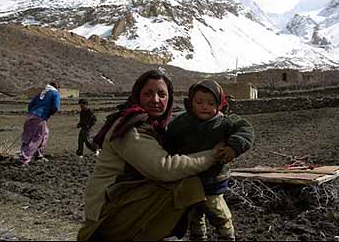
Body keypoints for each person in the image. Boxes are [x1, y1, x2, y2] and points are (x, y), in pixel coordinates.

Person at [77, 70, 227, 241]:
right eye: (148, 93)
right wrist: (214, 154)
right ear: (137, 95)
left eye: (162, 94)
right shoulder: (131, 127)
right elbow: (164, 167)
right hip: (106, 215)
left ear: (169, 99)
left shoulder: (152, 126)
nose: (155, 100)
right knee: (188, 184)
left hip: (122, 199)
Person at [165, 79, 255, 241]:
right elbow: (169, 140)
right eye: (199, 102)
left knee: (217, 210)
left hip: (214, 179)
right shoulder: (181, 123)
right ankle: (198, 236)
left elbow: (246, 130)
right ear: (191, 103)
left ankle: (227, 235)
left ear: (220, 104)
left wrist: (233, 147)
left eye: (210, 103)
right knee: (193, 211)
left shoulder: (226, 121)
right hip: (189, 178)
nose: (204, 107)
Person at [20, 82, 61, 165]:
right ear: (56, 87)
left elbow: (30, 105)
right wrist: (49, 113)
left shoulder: (41, 93)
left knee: (44, 134)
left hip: (31, 115)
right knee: (37, 137)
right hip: (40, 117)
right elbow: (56, 107)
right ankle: (25, 159)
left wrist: (33, 113)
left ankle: (39, 155)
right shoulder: (55, 93)